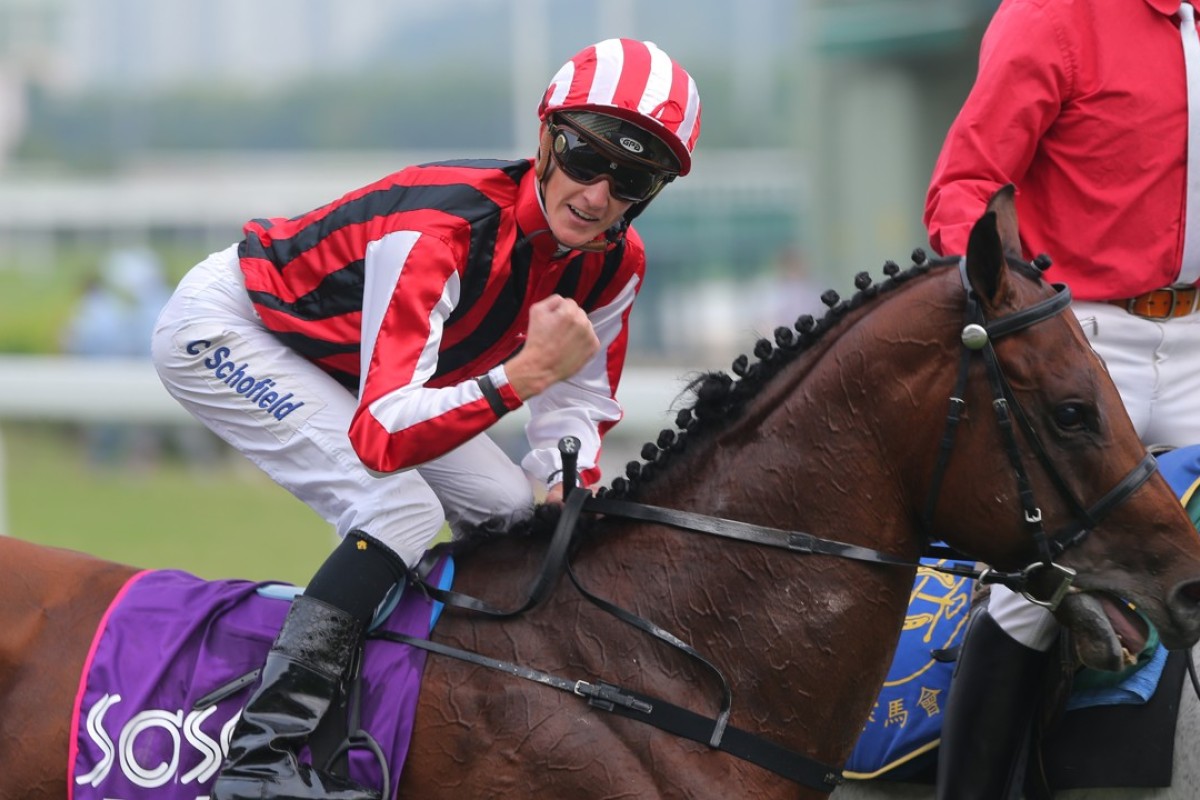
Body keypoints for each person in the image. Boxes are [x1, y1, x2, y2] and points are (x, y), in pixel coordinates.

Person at [151, 38, 700, 800]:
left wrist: (559, 478)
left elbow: (577, 404)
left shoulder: (616, 261)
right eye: (585, 159)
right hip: (233, 330)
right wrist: (518, 379)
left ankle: (464, 704)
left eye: (632, 178)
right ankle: (256, 764)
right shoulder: (441, 229)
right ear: (546, 139)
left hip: (354, 369)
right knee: (397, 505)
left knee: (514, 512)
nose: (598, 195)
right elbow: (383, 438)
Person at [923, 1, 1200, 797]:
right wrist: (1012, 323)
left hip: (1196, 334)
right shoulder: (1055, 14)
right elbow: (965, 183)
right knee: (1034, 594)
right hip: (1081, 340)